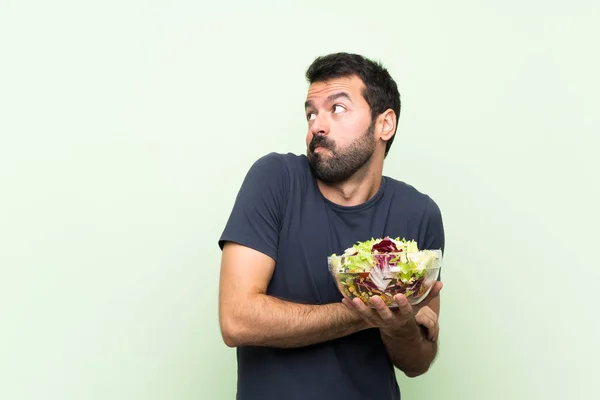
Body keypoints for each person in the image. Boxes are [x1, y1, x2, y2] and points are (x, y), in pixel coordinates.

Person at [217, 52, 445, 400]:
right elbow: (237, 319)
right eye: (311, 113)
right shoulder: (275, 180)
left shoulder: (420, 213)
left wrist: (400, 328)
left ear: (385, 124)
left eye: (337, 108)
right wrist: (367, 313)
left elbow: (417, 362)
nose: (317, 126)